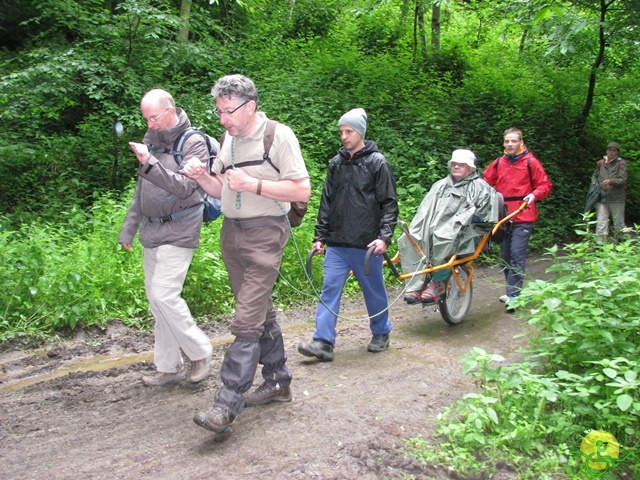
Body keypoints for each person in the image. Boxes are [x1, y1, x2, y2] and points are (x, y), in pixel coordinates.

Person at [183, 75, 311, 433]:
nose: (222, 119)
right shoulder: (229, 139)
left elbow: (302, 188)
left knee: (247, 319)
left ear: (249, 106)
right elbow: (220, 188)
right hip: (232, 234)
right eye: (219, 111)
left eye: (228, 111)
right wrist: (199, 178)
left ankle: (227, 403)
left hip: (266, 233)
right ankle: (278, 380)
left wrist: (253, 184)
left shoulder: (278, 136)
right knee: (260, 311)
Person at [118, 89, 213, 386]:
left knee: (164, 294)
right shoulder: (151, 141)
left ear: (170, 111)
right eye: (145, 118)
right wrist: (128, 228)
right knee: (155, 301)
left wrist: (150, 164)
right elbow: (142, 190)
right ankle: (168, 367)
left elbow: (186, 187)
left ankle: (200, 352)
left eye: (153, 117)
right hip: (153, 229)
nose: (149, 124)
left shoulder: (193, 142)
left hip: (182, 227)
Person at [297, 108, 398, 362]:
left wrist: (384, 237)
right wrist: (320, 236)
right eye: (341, 131)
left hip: (367, 245)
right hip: (338, 244)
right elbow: (326, 202)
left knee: (373, 290)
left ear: (360, 133)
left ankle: (381, 332)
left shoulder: (377, 163)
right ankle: (323, 341)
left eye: (349, 131)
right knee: (329, 288)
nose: (344, 136)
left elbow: (389, 203)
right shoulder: (336, 163)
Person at [399, 149, 500, 304]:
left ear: (471, 168)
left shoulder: (481, 187)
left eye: (462, 164)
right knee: (411, 237)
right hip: (436, 227)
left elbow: (485, 217)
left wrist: (462, 221)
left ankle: (438, 283)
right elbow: (424, 212)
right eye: (454, 163)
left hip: (467, 231)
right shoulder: (439, 185)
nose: (457, 166)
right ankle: (415, 284)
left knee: (445, 238)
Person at [483, 127, 552, 311]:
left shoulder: (531, 162)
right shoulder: (499, 162)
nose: (510, 144)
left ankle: (514, 295)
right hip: (503, 215)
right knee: (505, 256)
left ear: (521, 142)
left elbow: (545, 185)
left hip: (524, 214)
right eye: (507, 141)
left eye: (513, 141)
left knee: (516, 255)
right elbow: (485, 182)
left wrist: (535, 194)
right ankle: (511, 290)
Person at [592, 141, 627, 245]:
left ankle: (621, 244)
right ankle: (600, 245)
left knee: (618, 223)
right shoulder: (600, 163)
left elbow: (623, 180)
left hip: (616, 198)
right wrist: (594, 184)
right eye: (610, 150)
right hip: (602, 197)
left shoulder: (621, 164)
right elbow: (594, 175)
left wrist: (611, 181)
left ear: (617, 152)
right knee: (601, 221)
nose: (611, 152)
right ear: (606, 150)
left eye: (614, 150)